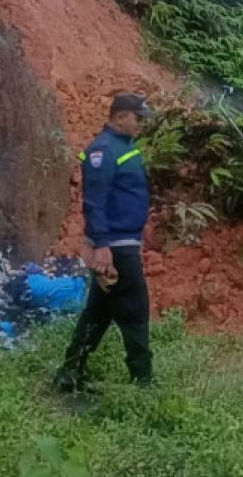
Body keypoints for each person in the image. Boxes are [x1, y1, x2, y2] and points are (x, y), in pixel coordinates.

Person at [55, 92, 155, 391]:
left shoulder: (121, 147)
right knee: (135, 310)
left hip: (120, 242)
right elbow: (95, 202)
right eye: (138, 119)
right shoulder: (103, 150)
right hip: (115, 245)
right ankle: (143, 380)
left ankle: (70, 372)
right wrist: (100, 245)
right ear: (121, 116)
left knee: (98, 313)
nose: (141, 125)